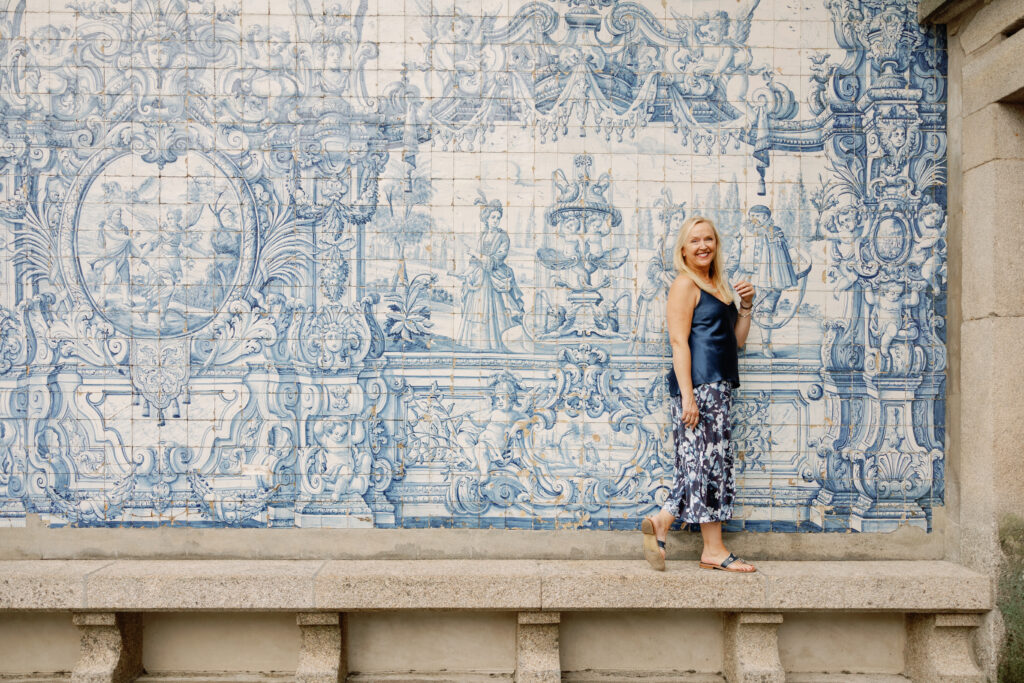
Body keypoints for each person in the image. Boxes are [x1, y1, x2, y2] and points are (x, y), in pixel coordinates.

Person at [641, 215, 756, 572]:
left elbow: (736, 343)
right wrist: (688, 397)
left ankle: (663, 521)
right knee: (709, 466)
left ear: (716, 245)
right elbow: (678, 342)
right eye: (695, 241)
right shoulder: (684, 285)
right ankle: (714, 549)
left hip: (719, 387)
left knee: (699, 464)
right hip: (700, 388)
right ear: (684, 251)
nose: (703, 245)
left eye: (708, 239)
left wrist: (747, 306)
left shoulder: (719, 287)